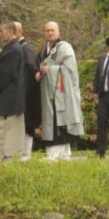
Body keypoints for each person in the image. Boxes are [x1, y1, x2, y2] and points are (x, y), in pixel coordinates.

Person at [36, 21, 84, 161]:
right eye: (47, 30)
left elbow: (70, 69)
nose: (50, 33)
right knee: (51, 121)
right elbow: (39, 66)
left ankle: (60, 154)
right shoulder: (44, 49)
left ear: (58, 32)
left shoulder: (65, 47)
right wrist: (39, 73)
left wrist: (49, 70)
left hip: (62, 92)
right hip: (48, 92)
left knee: (61, 122)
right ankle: (57, 153)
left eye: (52, 30)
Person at [0, 22, 27, 161]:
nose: (0, 34)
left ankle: (7, 155)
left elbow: (1, 69)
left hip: (10, 94)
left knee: (9, 126)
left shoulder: (15, 49)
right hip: (7, 93)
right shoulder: (11, 48)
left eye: (2, 30)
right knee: (1, 124)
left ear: (11, 31)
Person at [15, 22, 41, 160]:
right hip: (18, 93)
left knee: (27, 124)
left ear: (19, 32)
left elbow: (33, 71)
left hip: (27, 94)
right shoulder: (15, 48)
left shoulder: (27, 49)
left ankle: (26, 152)